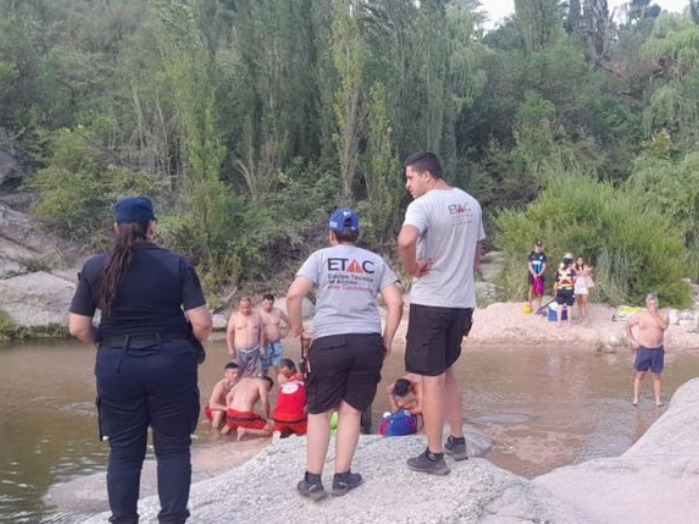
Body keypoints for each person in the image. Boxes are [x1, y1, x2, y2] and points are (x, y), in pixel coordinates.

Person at [68, 197, 212, 524]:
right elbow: (202, 324)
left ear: (116, 228)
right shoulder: (176, 264)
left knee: (123, 453)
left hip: (117, 364)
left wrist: (108, 345)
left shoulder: (94, 267)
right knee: (173, 449)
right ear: (152, 227)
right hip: (171, 362)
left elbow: (78, 327)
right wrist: (187, 346)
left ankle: (123, 519)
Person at [287, 208, 403, 500]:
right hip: (367, 342)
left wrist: (298, 329)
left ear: (331, 234)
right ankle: (342, 477)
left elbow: (293, 295)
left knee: (320, 412)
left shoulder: (321, 257)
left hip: (329, 342)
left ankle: (313, 481)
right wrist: (386, 340)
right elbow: (396, 304)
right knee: (352, 411)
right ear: (358, 235)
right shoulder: (374, 261)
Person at [398, 152, 484, 476]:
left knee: (430, 378)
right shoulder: (471, 203)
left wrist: (412, 269)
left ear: (427, 176)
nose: (408, 185)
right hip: (462, 302)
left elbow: (406, 240)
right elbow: (476, 256)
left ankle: (434, 455)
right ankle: (457, 440)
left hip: (432, 302)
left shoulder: (423, 205)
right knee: (446, 370)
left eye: (410, 177)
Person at [626, 293, 669, 407]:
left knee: (657, 375)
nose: (652, 306)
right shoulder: (641, 315)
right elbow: (628, 325)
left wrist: (654, 315)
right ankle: (635, 399)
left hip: (657, 349)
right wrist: (632, 340)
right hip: (643, 348)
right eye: (650, 304)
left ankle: (658, 401)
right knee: (640, 374)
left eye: (654, 304)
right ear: (646, 304)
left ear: (658, 304)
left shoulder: (663, 315)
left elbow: (664, 327)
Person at [221, 375, 274, 440]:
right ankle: (245, 431)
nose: (266, 390)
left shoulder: (244, 380)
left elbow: (228, 396)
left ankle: (220, 437)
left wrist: (229, 412)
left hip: (231, 414)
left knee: (230, 424)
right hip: (244, 417)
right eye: (267, 389)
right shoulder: (260, 383)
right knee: (270, 431)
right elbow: (265, 401)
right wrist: (267, 418)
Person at [226, 297, 265, 376]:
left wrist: (262, 346)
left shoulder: (257, 316)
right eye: (243, 307)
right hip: (239, 351)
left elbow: (262, 331)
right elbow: (229, 334)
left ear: (251, 306)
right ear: (239, 307)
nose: (245, 310)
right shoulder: (234, 317)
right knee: (236, 374)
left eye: (247, 307)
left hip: (255, 350)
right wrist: (230, 348)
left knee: (255, 375)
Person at [273, 361, 308, 437]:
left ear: (292, 369)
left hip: (278, 419)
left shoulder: (286, 382)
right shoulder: (300, 379)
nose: (285, 375)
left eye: (286, 373)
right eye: (284, 374)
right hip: (296, 419)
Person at [259, 293, 290, 376]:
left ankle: (280, 387)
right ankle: (263, 386)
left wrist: (285, 333)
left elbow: (288, 321)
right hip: (265, 345)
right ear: (262, 302)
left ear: (273, 303)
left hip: (277, 344)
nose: (268, 306)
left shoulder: (278, 311)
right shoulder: (258, 314)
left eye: (270, 304)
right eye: (266, 303)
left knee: (279, 367)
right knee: (264, 368)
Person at [205, 362, 239, 433]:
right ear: (226, 374)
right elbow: (212, 405)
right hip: (215, 410)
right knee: (219, 412)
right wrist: (227, 409)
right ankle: (214, 432)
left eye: (237, 373)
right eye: (233, 373)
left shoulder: (239, 385)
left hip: (228, 411)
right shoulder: (220, 385)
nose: (236, 376)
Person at [554, 254, 576, 328]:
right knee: (569, 307)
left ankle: (559, 323)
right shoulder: (572, 271)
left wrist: (555, 291)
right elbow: (574, 281)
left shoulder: (558, 271)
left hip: (560, 290)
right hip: (569, 290)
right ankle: (569, 323)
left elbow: (556, 282)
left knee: (559, 307)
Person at [527, 240, 547, 311]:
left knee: (540, 290)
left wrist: (539, 274)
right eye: (537, 246)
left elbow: (544, 266)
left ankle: (539, 306)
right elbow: (529, 265)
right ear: (534, 246)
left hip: (540, 275)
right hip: (532, 274)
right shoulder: (531, 254)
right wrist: (534, 274)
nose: (539, 248)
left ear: (542, 247)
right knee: (531, 289)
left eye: (540, 246)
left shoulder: (543, 255)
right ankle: (530, 305)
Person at [574, 257, 593, 323]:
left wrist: (585, 272)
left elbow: (589, 274)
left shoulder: (585, 266)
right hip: (577, 287)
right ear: (576, 261)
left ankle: (588, 318)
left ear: (583, 261)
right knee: (578, 303)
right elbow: (576, 273)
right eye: (578, 260)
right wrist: (584, 271)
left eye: (581, 260)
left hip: (584, 287)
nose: (580, 261)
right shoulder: (574, 267)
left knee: (585, 302)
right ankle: (580, 317)